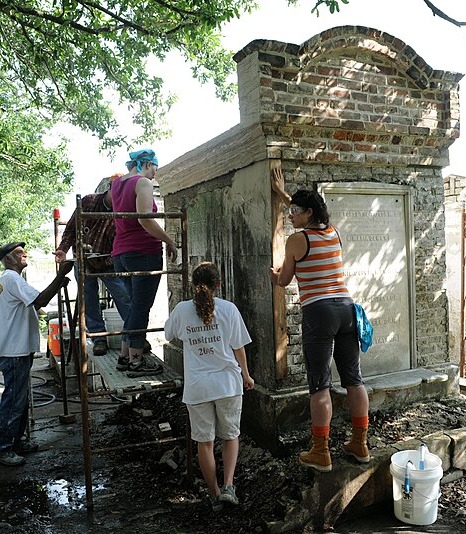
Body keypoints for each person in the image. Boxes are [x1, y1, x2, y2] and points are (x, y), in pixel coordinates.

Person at [268, 167, 370, 472]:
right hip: (346, 308)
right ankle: (360, 443)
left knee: (320, 384)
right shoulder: (334, 232)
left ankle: (321, 451)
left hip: (319, 312)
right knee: (353, 378)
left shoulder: (297, 241)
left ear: (307, 213)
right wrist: (285, 195)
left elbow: (285, 280)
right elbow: (311, 216)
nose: (290, 215)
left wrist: (274, 277)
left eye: (294, 212)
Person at [165, 262, 254, 511]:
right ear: (219, 284)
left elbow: (167, 334)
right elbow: (238, 347)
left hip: (197, 388)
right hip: (227, 384)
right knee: (230, 436)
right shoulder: (229, 309)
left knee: (204, 442)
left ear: (193, 285)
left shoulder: (182, 310)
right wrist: (247, 375)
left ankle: (214, 495)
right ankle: (228, 487)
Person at [0, 242, 74, 466]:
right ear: (8, 259)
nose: (24, 254)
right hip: (14, 350)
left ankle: (15, 442)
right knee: (14, 401)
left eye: (23, 251)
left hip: (17, 349)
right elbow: (41, 300)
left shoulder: (11, 280)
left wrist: (58, 283)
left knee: (20, 399)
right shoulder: (11, 278)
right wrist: (60, 276)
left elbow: (36, 304)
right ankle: (1, 448)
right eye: (18, 253)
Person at [111, 149, 178, 377]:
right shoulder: (142, 183)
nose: (154, 176)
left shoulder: (117, 184)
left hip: (121, 253)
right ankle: (137, 361)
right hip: (142, 251)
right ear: (147, 163)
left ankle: (124, 356)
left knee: (134, 306)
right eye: (154, 169)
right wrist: (169, 240)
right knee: (141, 307)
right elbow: (144, 218)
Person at [55, 175, 132, 356]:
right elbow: (72, 229)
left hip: (108, 261)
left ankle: (134, 336)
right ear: (111, 189)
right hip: (83, 260)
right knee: (89, 298)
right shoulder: (89, 202)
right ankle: (99, 338)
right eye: (119, 193)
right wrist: (63, 249)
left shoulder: (123, 210)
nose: (121, 198)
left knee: (124, 296)